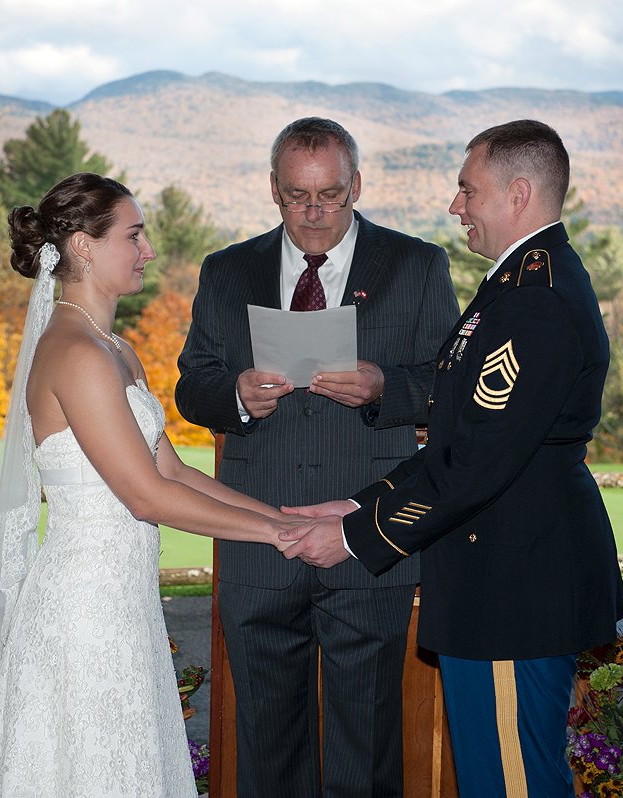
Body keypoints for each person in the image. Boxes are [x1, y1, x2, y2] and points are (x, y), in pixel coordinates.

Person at [281, 120, 623, 797]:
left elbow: (475, 464)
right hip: (502, 577)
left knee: (514, 784)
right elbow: (459, 436)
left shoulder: (536, 306)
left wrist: (356, 536)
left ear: (518, 194)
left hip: (513, 588)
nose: (456, 206)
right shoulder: (515, 290)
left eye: (468, 191)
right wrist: (360, 502)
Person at [0, 173, 312, 797]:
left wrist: (282, 514)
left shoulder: (115, 348)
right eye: (134, 235)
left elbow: (173, 470)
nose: (147, 250)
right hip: (85, 609)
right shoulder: (76, 353)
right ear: (85, 247)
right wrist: (277, 535)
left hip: (123, 603)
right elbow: (143, 494)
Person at [175, 117, 459, 797]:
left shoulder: (417, 266)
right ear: (273, 188)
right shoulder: (226, 270)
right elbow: (192, 385)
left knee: (366, 751)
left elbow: (452, 385)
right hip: (256, 544)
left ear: (356, 185)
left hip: (369, 539)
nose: (313, 212)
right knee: (267, 753)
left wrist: (386, 386)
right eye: (297, 196)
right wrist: (236, 396)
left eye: (330, 195)